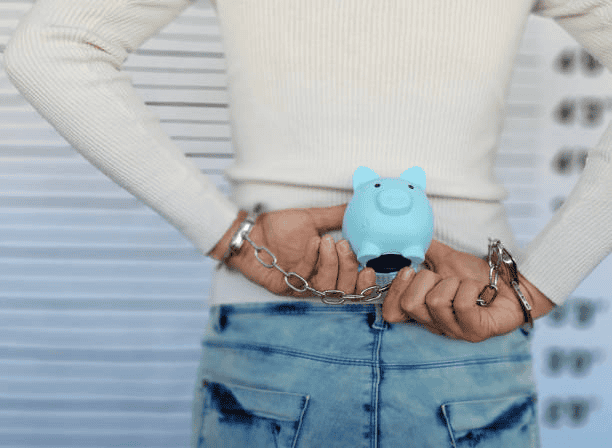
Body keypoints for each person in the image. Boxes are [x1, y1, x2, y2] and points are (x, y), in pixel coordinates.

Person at [4, 0, 611, 446]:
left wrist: (232, 235)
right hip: (457, 316)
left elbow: (50, 46)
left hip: (276, 325)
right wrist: (540, 283)